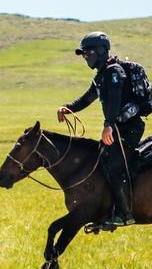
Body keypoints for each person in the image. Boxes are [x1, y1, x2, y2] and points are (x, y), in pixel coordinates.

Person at [57, 32, 144, 230]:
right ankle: (106, 209)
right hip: (116, 126)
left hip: (128, 127)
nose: (85, 56)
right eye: (84, 53)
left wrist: (108, 125)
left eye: (88, 52)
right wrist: (67, 108)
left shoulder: (114, 73)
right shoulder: (101, 77)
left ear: (101, 51)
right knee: (101, 161)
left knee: (114, 165)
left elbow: (114, 101)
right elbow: (86, 99)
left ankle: (125, 214)